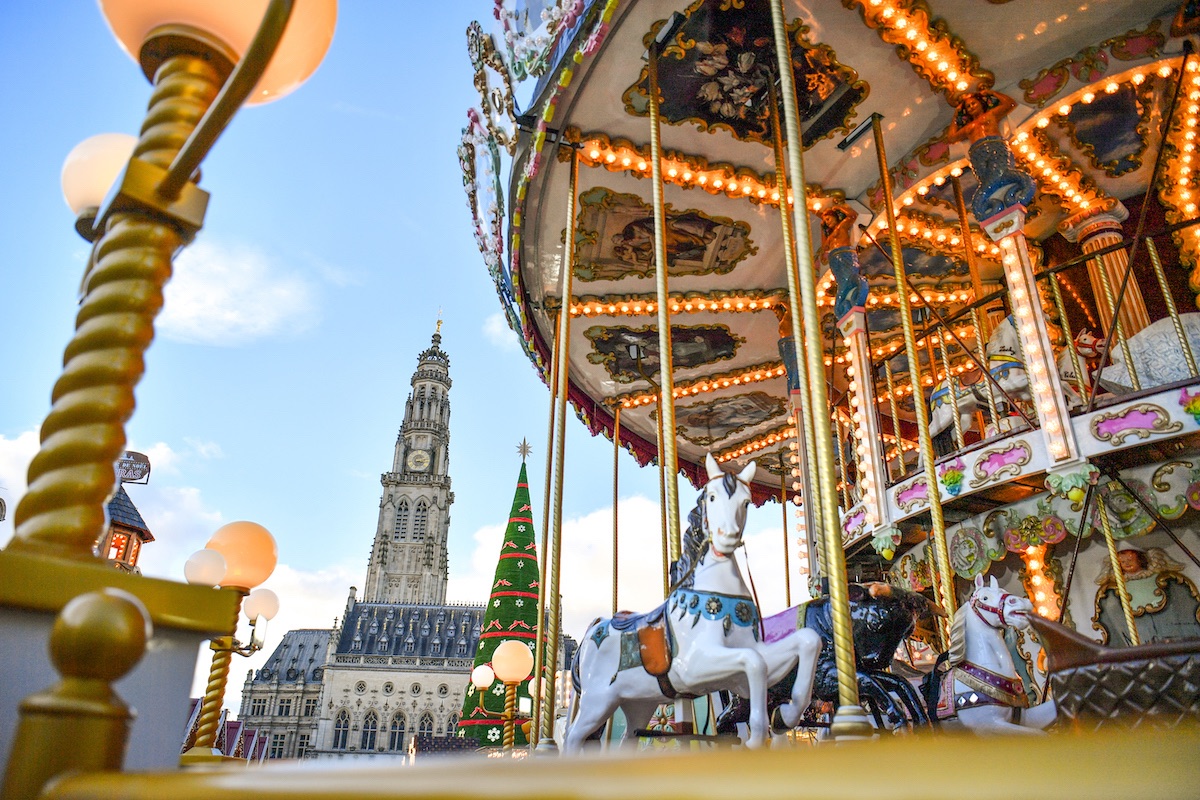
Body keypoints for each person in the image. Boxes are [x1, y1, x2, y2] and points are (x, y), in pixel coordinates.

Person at [946, 89, 1017, 145]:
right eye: (968, 106)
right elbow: (951, 138)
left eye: (973, 103)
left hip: (995, 145)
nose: (971, 107)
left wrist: (992, 93)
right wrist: (956, 115)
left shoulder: (991, 114)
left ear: (980, 103)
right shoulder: (968, 127)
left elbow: (1010, 104)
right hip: (979, 152)